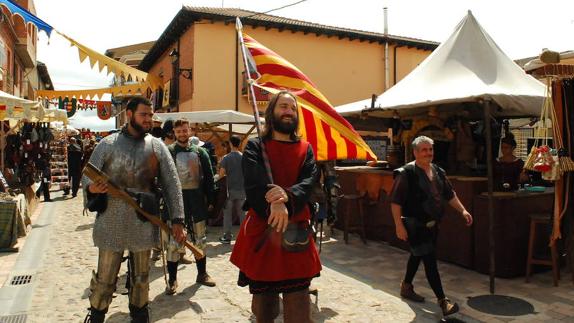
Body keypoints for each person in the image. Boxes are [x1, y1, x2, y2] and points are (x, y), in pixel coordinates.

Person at [82, 97, 186, 323]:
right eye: (144, 115)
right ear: (129, 114)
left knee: (141, 279)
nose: (149, 119)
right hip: (112, 218)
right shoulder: (108, 144)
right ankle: (97, 316)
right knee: (105, 280)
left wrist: (178, 219)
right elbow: (87, 176)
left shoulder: (156, 146)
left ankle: (140, 316)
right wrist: (92, 187)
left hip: (143, 218)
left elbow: (172, 184)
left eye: (150, 115)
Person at [230, 91, 320, 323]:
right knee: (264, 309)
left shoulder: (305, 148)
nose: (288, 111)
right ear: (272, 112)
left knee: (299, 304)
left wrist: (286, 198)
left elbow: (309, 182)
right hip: (263, 229)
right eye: (283, 106)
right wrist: (274, 206)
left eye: (292, 108)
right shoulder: (255, 146)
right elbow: (254, 183)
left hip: (295, 233)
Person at [390, 135, 473, 317]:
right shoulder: (406, 173)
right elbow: (395, 202)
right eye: (424, 150)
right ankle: (443, 301)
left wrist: (463, 210)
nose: (428, 153)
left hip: (433, 225)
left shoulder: (437, 171)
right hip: (414, 225)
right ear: (415, 152)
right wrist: (399, 226)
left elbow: (449, 194)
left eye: (430, 149)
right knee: (429, 260)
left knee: (417, 254)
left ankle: (406, 286)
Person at [167, 120, 217, 293]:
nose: (182, 133)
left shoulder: (201, 152)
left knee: (200, 240)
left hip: (196, 202)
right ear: (174, 132)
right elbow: (163, 178)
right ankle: (172, 280)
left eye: (184, 130)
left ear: (190, 130)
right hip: (176, 205)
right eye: (179, 131)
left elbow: (209, 177)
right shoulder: (169, 152)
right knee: (174, 242)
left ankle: (202, 274)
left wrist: (211, 200)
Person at [218, 135, 246, 244]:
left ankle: (227, 236)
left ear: (230, 144)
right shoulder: (244, 157)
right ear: (239, 144)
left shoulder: (226, 158)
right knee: (242, 215)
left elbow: (221, 175)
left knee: (227, 215)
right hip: (242, 190)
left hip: (229, 191)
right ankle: (244, 236)